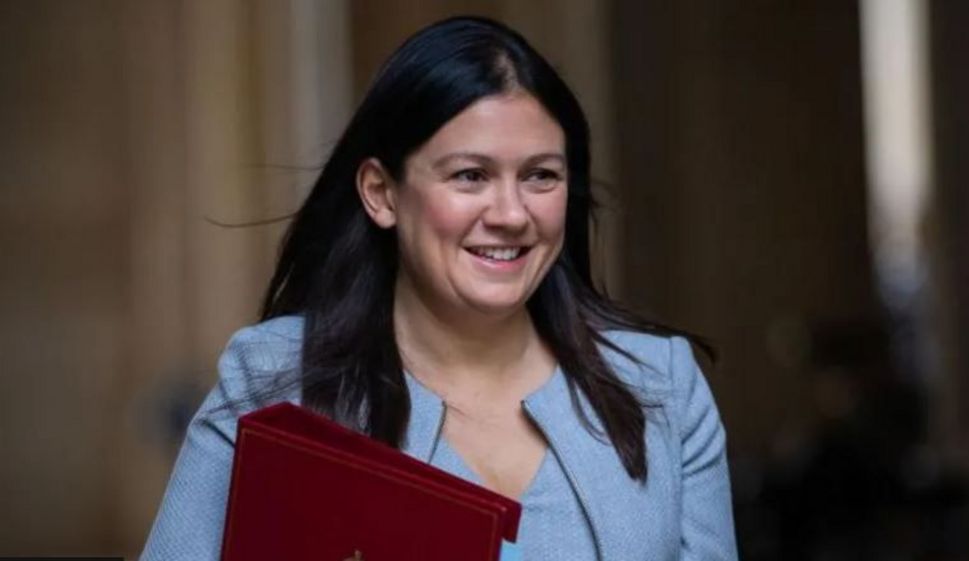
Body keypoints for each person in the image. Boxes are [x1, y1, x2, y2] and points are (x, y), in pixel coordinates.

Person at [140, 16, 737, 561]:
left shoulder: (660, 385)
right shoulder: (274, 381)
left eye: (540, 176)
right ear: (381, 193)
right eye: (470, 175)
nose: (510, 212)